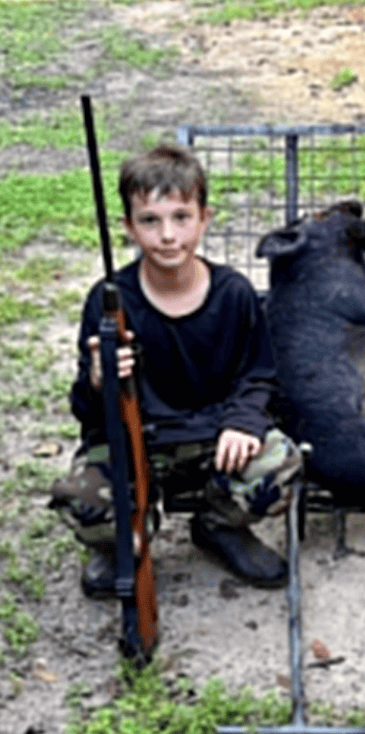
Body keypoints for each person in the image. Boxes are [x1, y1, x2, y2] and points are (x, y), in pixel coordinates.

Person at [49, 144, 302, 596]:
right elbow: (87, 413)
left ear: (204, 218)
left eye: (181, 217)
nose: (168, 235)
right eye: (150, 220)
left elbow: (259, 375)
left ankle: (219, 526)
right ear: (128, 227)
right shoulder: (108, 300)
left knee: (279, 466)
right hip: (135, 442)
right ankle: (124, 540)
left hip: (215, 440)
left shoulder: (234, 293)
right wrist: (97, 380)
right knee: (83, 502)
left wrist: (242, 423)